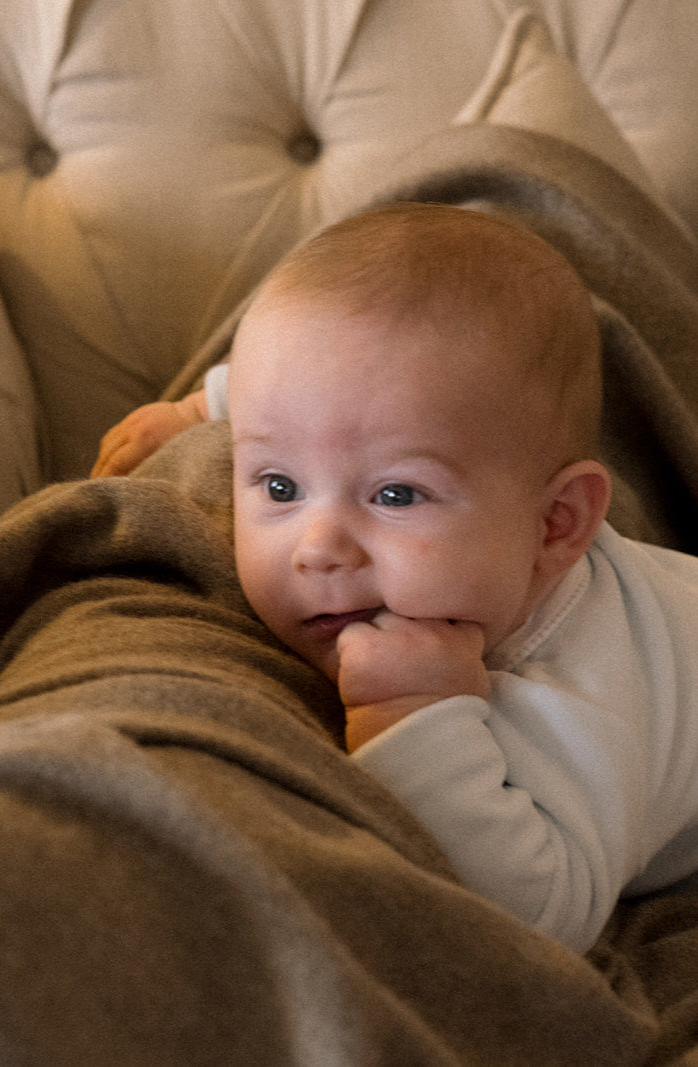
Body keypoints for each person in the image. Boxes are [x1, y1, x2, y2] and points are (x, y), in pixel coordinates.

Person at [92, 202, 698, 953]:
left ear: (556, 525)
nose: (317, 548)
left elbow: (542, 918)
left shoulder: (582, 687)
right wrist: (198, 408)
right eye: (278, 486)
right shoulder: (367, 433)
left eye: (395, 494)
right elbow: (329, 390)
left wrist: (415, 718)